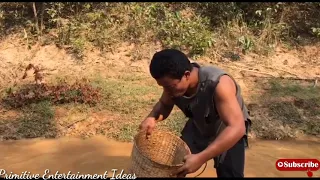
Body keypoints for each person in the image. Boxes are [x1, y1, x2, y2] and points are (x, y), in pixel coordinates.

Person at [139, 49, 251, 178]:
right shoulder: (173, 86)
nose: (166, 91)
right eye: (163, 87)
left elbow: (237, 127)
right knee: (174, 168)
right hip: (199, 125)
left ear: (186, 75)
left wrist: (200, 158)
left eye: (169, 87)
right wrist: (152, 118)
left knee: (229, 174)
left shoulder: (218, 83)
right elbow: (164, 105)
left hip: (228, 129)